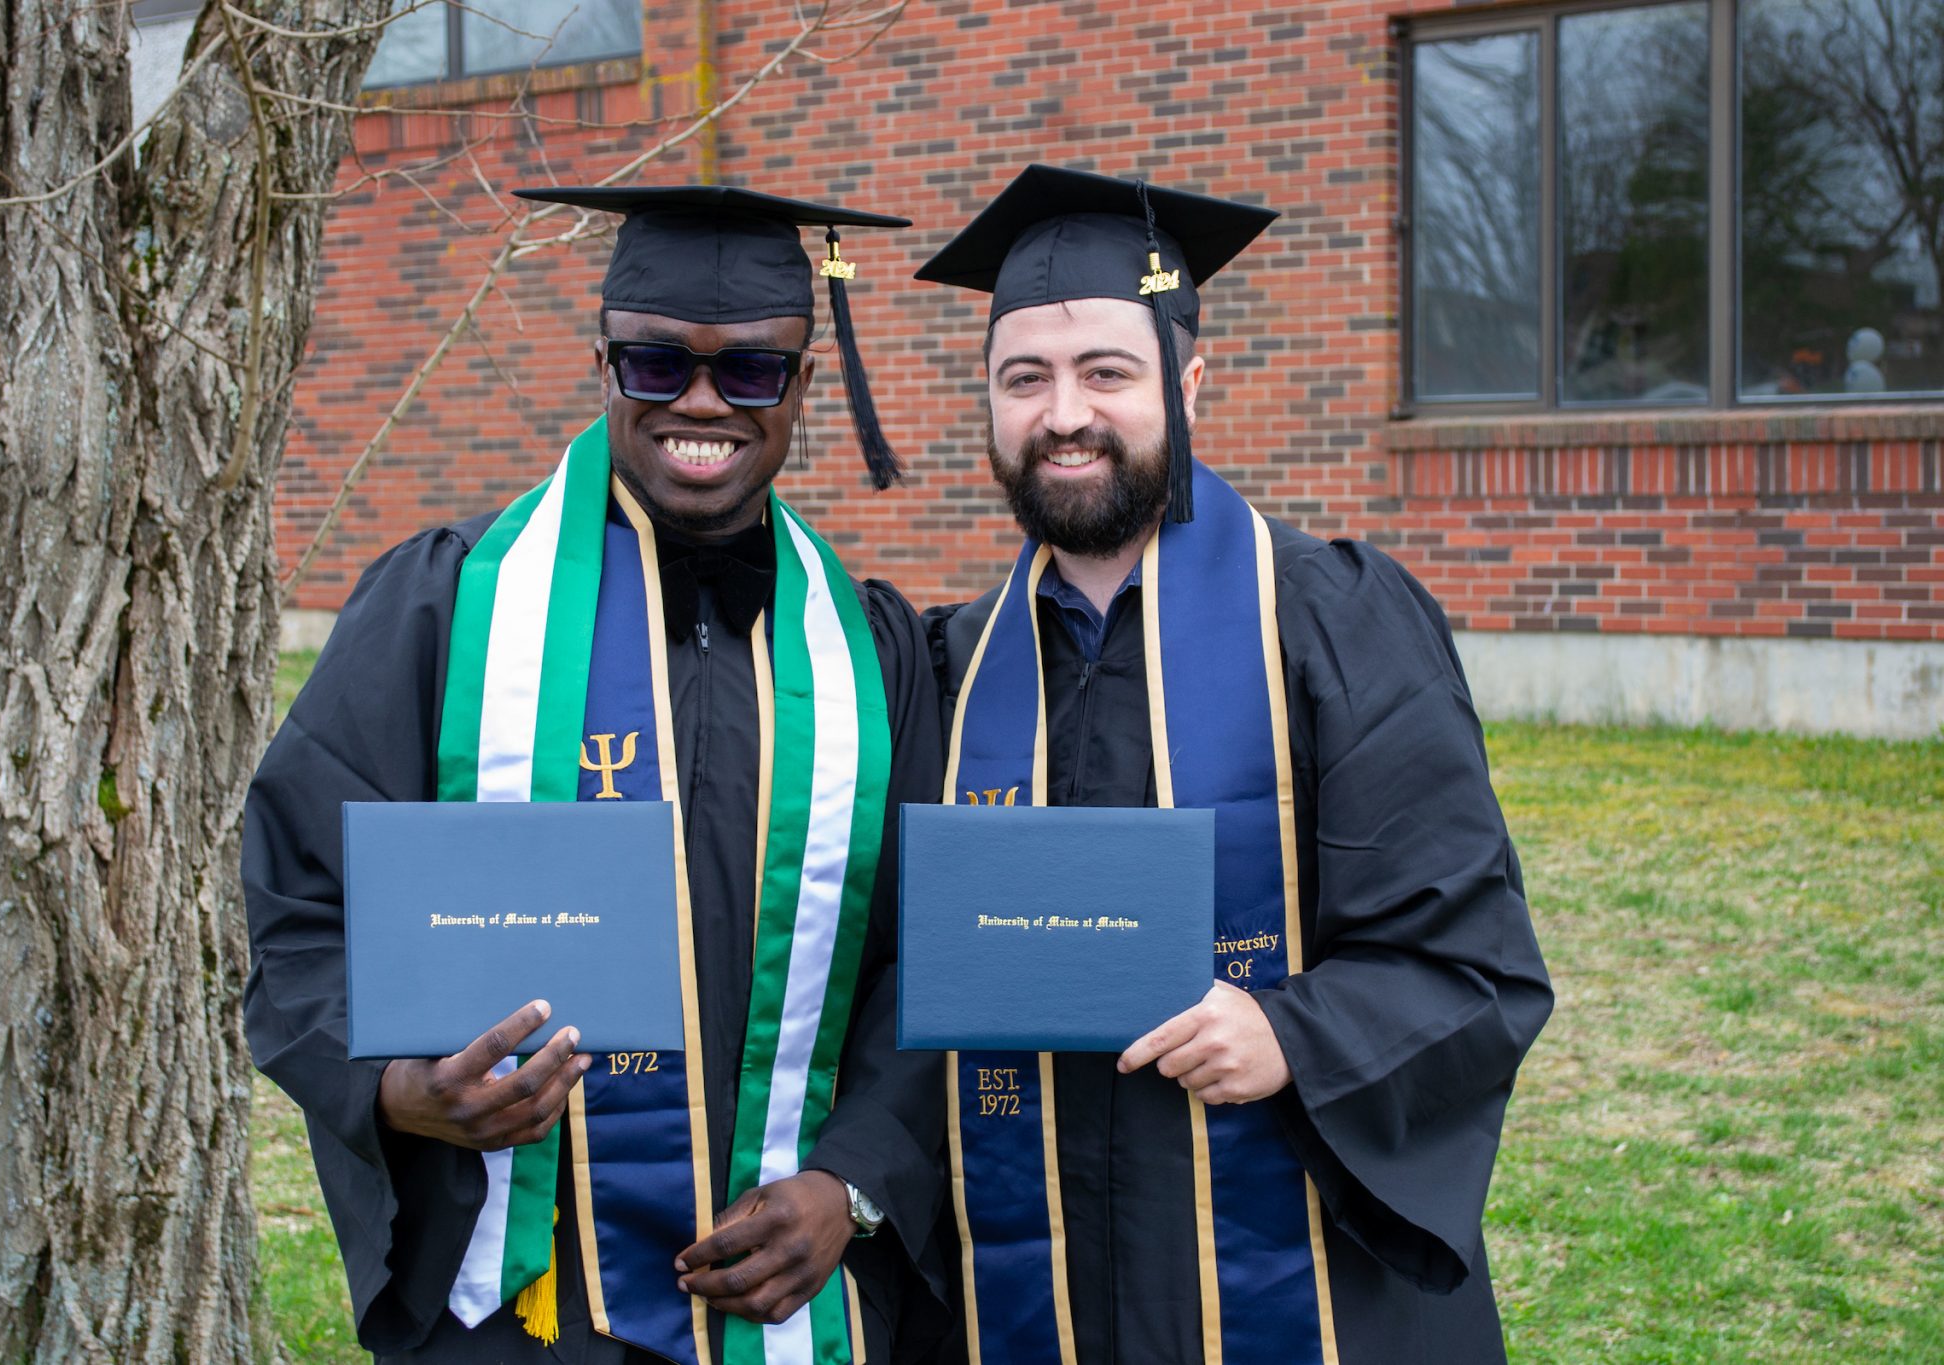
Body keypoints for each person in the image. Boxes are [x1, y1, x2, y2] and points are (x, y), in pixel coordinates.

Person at [243, 185, 947, 1364]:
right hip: (522, 1298)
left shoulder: (871, 653)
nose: (704, 404)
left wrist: (850, 1180)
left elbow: (929, 955)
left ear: (806, 385)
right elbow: (299, 902)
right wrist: (395, 1086)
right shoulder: (447, 606)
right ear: (605, 365)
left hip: (785, 1283)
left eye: (754, 374)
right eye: (657, 365)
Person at [914, 164, 1554, 1364]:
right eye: (1023, 379)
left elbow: (1471, 968)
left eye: (1106, 372)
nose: (1063, 414)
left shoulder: (1331, 624)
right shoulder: (949, 666)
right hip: (1032, 1277)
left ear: (1188, 384)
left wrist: (1293, 1033)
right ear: (988, 404)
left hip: (1297, 1286)